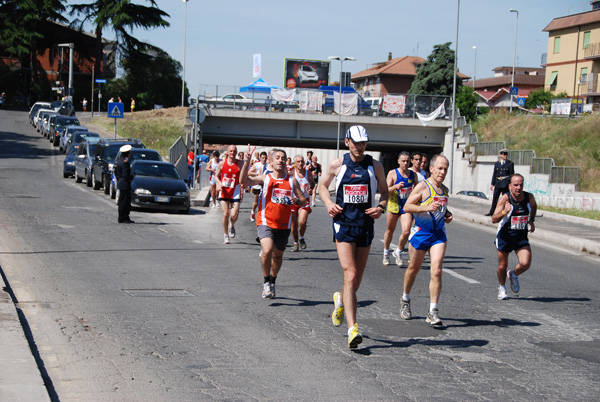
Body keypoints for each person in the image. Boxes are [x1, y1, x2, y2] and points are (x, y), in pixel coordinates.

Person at [320, 125, 389, 349]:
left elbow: (385, 191)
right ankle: (353, 329)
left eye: (363, 143)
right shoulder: (337, 164)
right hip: (344, 224)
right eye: (356, 142)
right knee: (350, 275)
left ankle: (340, 300)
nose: (360, 147)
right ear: (347, 141)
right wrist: (329, 203)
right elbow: (322, 186)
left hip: (365, 225)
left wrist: (381, 207)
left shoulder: (374, 165)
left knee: (356, 280)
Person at [240, 145, 307, 299]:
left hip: (283, 225)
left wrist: (296, 200)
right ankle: (265, 281)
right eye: (277, 158)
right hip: (265, 221)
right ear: (271, 161)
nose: (280, 160)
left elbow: (303, 200)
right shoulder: (266, 178)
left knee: (277, 256)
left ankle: (273, 280)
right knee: (267, 250)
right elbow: (244, 180)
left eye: (283, 158)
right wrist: (246, 162)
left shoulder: (292, 181)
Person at [399, 154, 453, 327]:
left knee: (436, 271)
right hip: (421, 233)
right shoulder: (422, 186)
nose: (442, 172)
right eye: (439, 168)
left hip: (438, 234)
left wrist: (447, 214)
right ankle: (405, 298)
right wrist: (426, 207)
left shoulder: (444, 189)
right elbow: (407, 206)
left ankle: (433, 311)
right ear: (431, 168)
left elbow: (441, 207)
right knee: (413, 269)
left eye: (445, 169)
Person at [491, 174, 536, 300]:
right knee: (502, 266)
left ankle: (513, 274)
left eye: (521, 185)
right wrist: (505, 211)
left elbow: (533, 206)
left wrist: (531, 220)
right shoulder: (505, 199)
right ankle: (502, 288)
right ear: (510, 186)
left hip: (520, 237)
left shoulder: (528, 197)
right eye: (515, 185)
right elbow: (494, 219)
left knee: (525, 263)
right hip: (505, 237)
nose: (518, 187)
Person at [382, 151, 417, 266]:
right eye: (403, 161)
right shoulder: (393, 173)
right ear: (398, 161)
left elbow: (417, 189)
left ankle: (398, 251)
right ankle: (386, 252)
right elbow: (385, 190)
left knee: (407, 231)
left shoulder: (413, 174)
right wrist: (395, 186)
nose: (405, 163)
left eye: (407, 161)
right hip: (394, 204)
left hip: (406, 206)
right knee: (389, 230)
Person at [215, 145, 244, 244]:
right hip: (224, 190)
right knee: (226, 213)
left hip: (235, 190)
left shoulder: (240, 163)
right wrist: (219, 183)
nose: (232, 153)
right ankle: (225, 235)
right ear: (227, 152)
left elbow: (244, 176)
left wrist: (242, 188)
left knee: (234, 214)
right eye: (231, 151)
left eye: (234, 151)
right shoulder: (222, 164)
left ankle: (231, 225)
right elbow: (216, 176)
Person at [290, 154, 315, 251]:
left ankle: (301, 237)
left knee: (302, 221)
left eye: (302, 161)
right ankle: (295, 243)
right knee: (293, 224)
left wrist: (310, 188)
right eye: (298, 162)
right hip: (293, 200)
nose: (301, 163)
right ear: (295, 164)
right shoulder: (291, 173)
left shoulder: (308, 173)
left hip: (304, 200)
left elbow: (312, 183)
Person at [486, 149, 515, 216]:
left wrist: (510, 184)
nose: (505, 156)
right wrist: (492, 184)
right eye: (504, 154)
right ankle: (492, 211)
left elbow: (511, 175)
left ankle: (507, 212)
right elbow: (494, 174)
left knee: (505, 199)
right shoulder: (497, 164)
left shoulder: (510, 164)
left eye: (506, 154)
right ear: (501, 155)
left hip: (505, 184)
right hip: (498, 183)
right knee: (495, 198)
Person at [115, 145, 134, 223]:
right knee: (125, 201)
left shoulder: (119, 161)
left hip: (121, 182)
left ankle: (122, 216)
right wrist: (132, 176)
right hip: (125, 184)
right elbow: (126, 175)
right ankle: (124, 216)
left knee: (122, 200)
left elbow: (116, 173)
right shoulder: (125, 163)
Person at [250, 151, 268, 221]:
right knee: (256, 202)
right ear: (260, 158)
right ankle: (253, 211)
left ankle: (261, 216)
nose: (264, 159)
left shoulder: (268, 165)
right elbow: (249, 172)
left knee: (264, 202)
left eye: (265, 158)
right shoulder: (257, 165)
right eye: (263, 158)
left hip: (264, 186)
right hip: (257, 186)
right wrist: (257, 174)